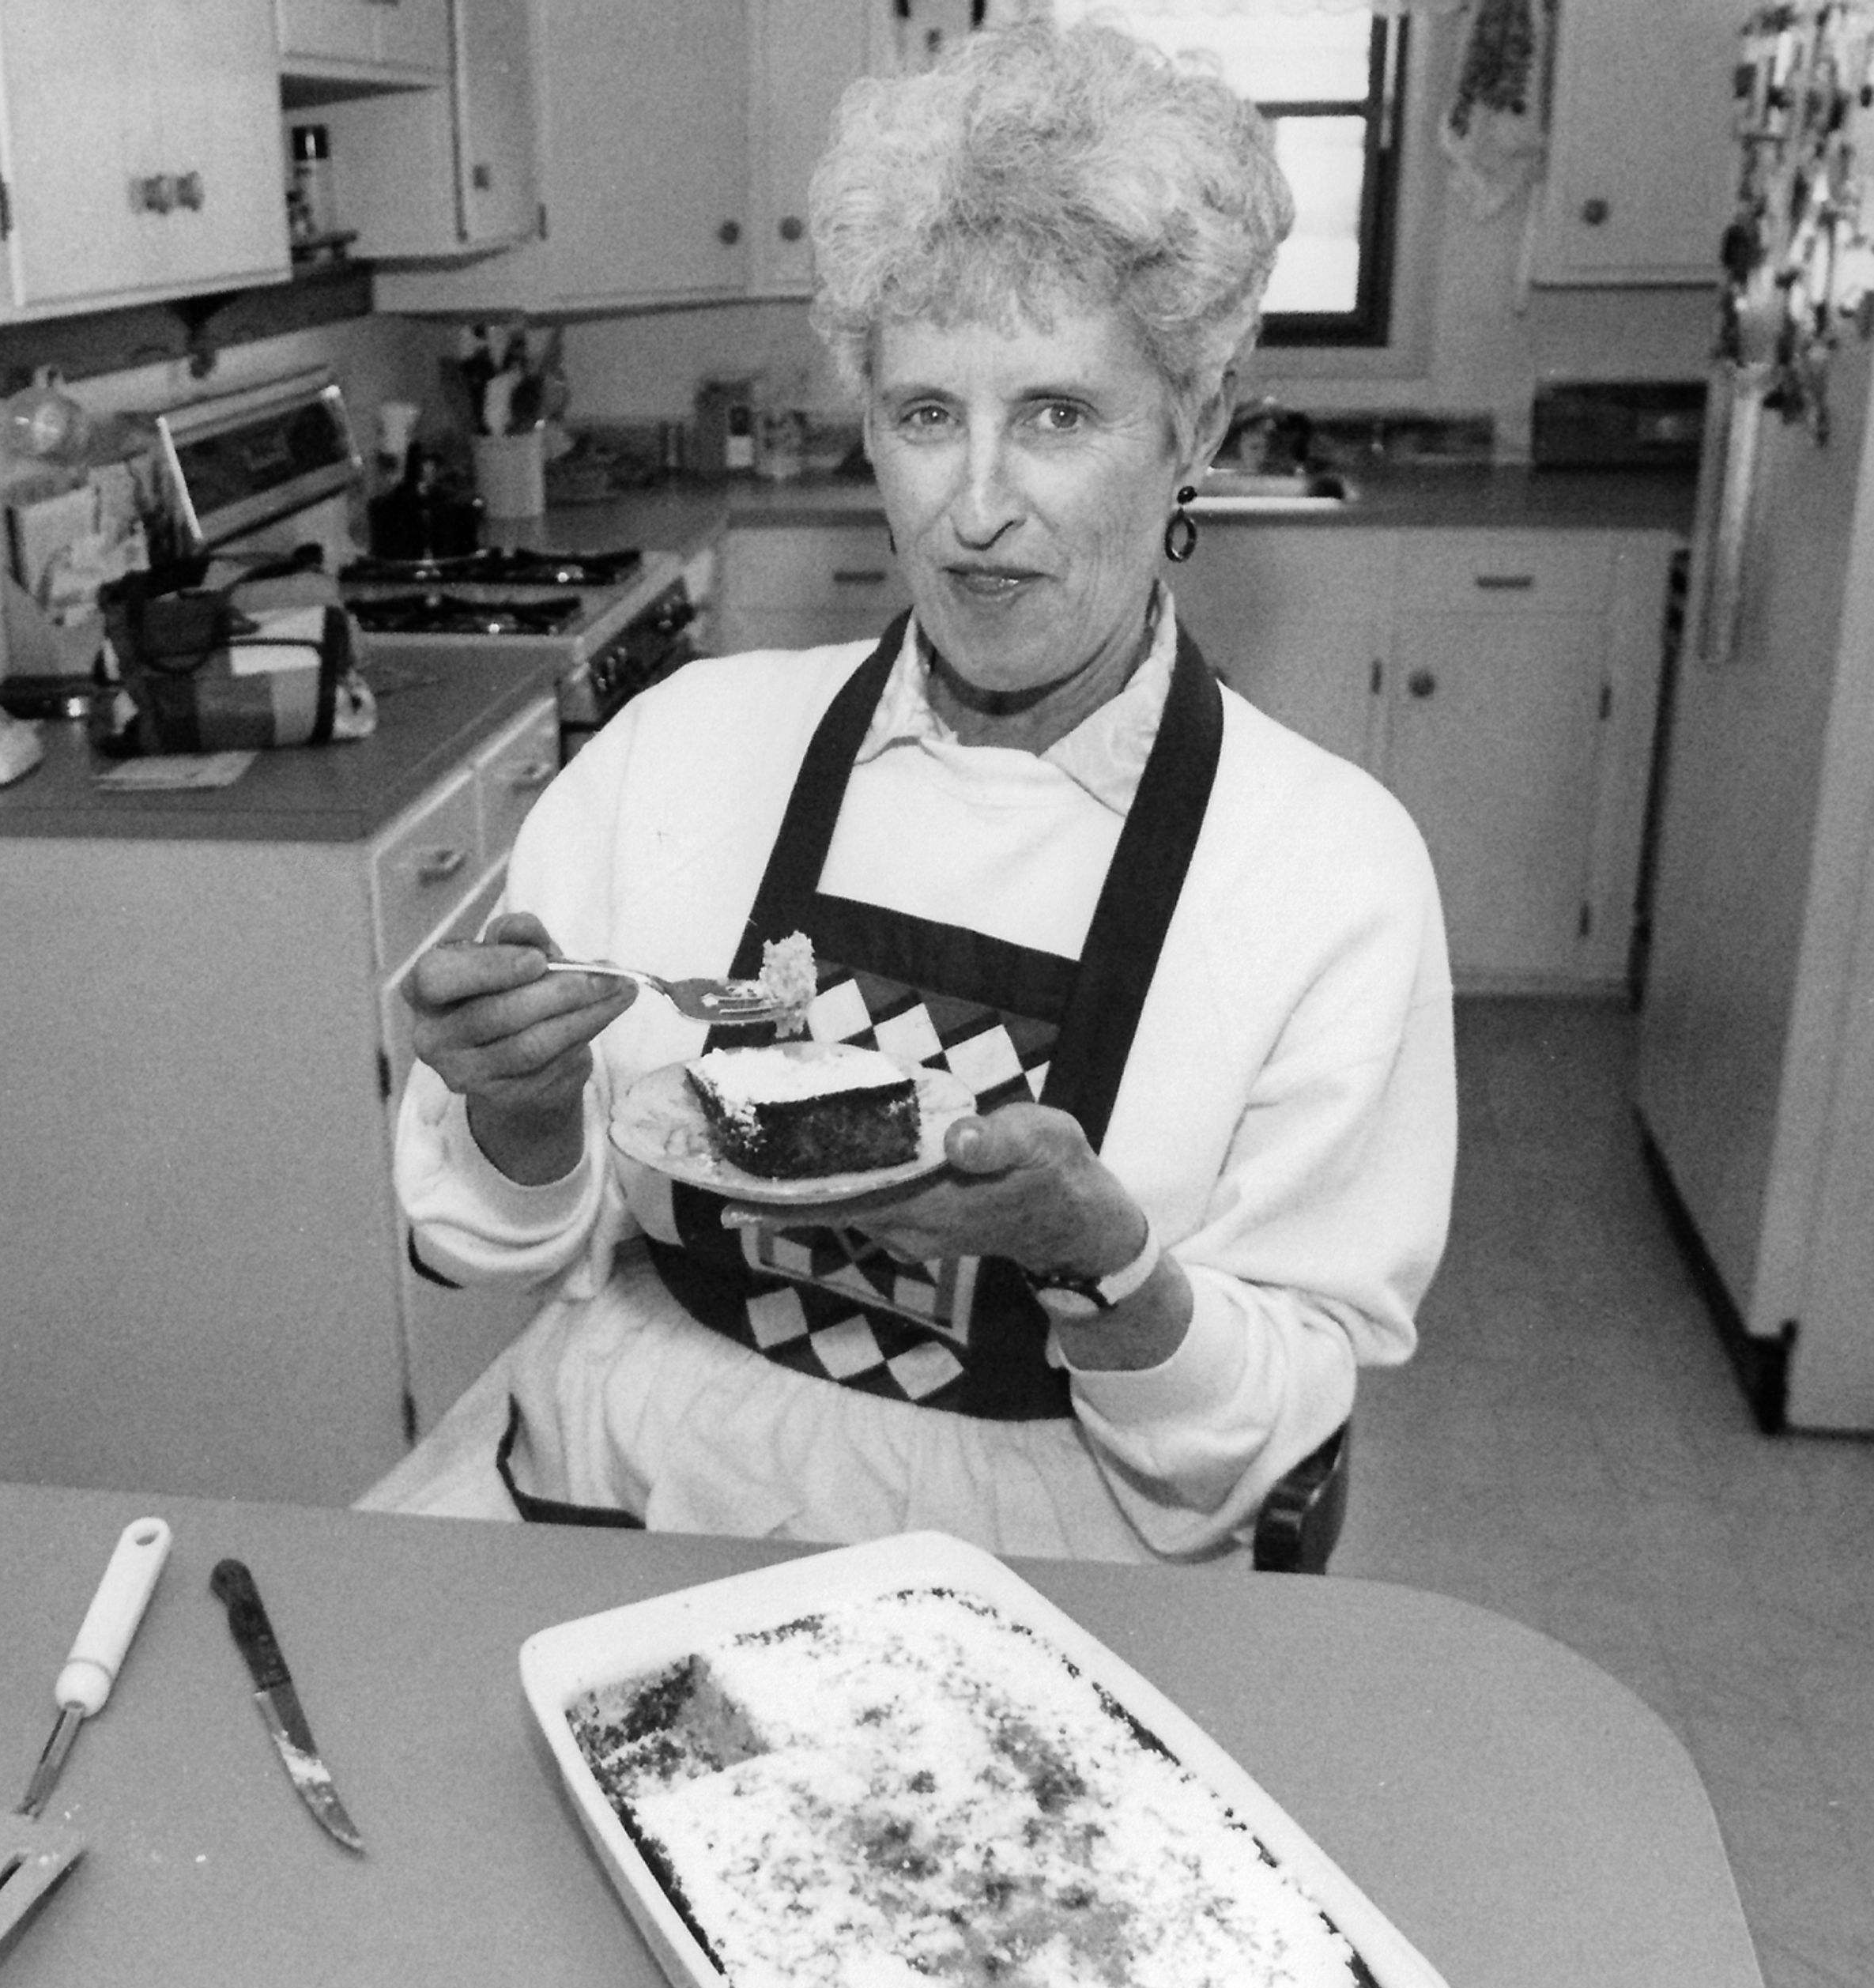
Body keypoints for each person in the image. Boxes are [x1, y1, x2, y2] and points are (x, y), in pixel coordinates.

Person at [374, 18, 1454, 1562]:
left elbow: (1252, 1448)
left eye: (1060, 416)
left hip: (1035, 1558)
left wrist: (1112, 1268)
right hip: (617, 1483)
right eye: (927, 415)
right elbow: (490, 1245)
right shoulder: (681, 752)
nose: (979, 508)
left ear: (1195, 427)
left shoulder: (1325, 871)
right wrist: (530, 1118)